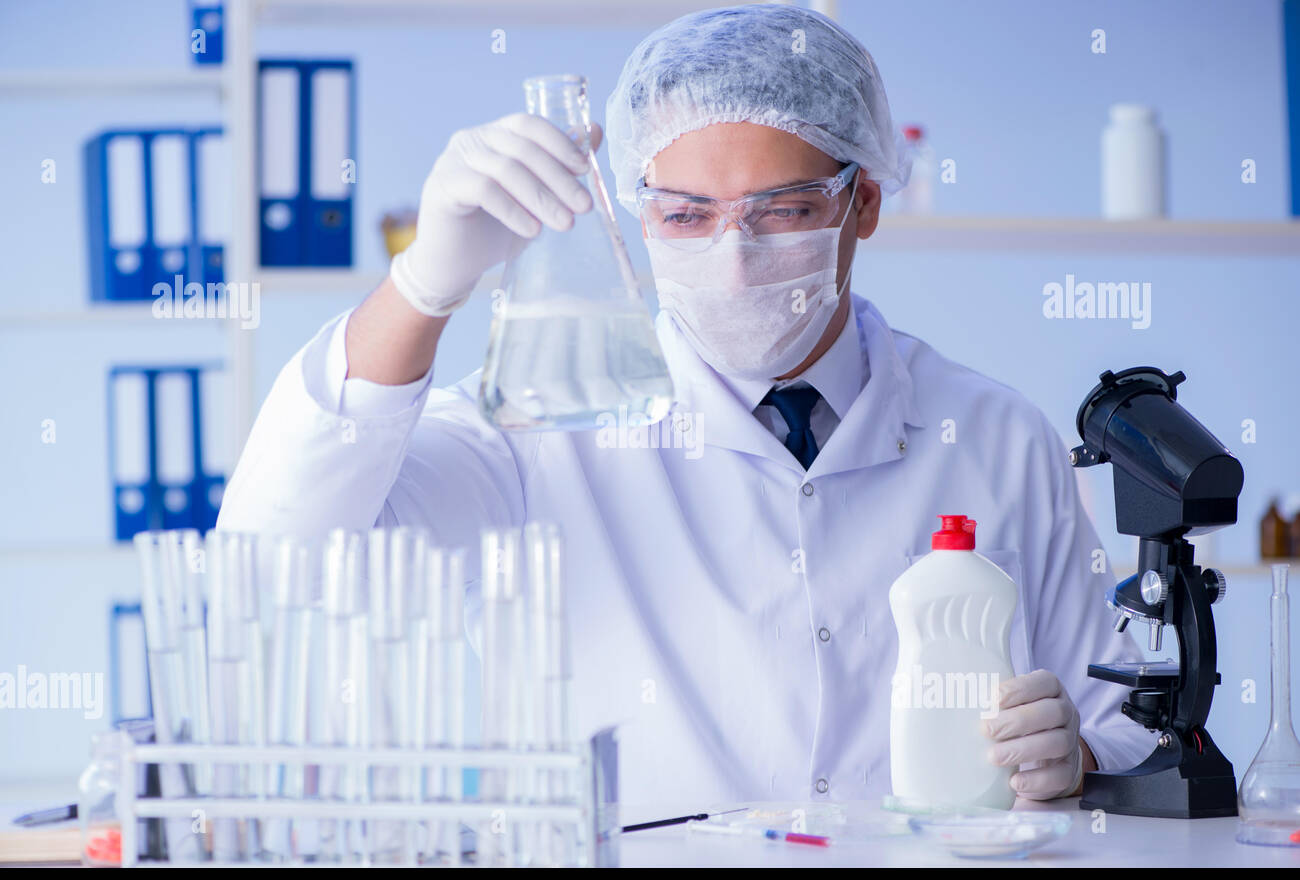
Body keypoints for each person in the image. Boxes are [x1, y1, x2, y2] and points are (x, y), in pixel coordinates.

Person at [218, 4, 1154, 804]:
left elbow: (1122, 735)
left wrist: (1073, 759)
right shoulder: (536, 432)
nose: (733, 253)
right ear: (637, 210)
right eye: (685, 214)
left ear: (864, 200)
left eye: (783, 208)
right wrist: (421, 287)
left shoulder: (993, 434)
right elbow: (277, 564)